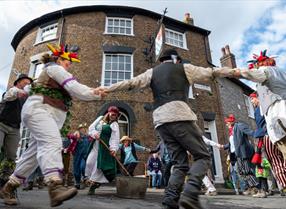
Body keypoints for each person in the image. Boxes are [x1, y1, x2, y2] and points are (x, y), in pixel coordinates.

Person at [98, 48, 233, 209]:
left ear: (161, 60)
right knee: (203, 156)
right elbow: (211, 73)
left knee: (180, 163)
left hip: (161, 122)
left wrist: (106, 88)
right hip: (180, 116)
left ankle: (170, 198)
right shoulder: (184, 68)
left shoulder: (152, 72)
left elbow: (130, 83)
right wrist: (237, 72)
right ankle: (190, 194)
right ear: (176, 59)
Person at [0, 43, 104, 207]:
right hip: (39, 110)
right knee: (52, 142)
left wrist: (94, 91)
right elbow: (74, 87)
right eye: (66, 61)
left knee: (33, 155)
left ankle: (9, 186)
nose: (68, 66)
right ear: (58, 59)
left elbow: (29, 88)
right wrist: (95, 93)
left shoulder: (49, 77)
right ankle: (55, 186)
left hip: (46, 116)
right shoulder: (54, 68)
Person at [223, 50, 286, 159]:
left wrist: (230, 72)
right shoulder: (281, 73)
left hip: (280, 120)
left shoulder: (264, 70)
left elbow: (251, 73)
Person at [249, 92, 286, 196]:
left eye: (252, 99)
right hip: (276, 135)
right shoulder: (269, 106)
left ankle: (282, 186)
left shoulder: (260, 109)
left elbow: (264, 123)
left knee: (275, 161)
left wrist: (258, 133)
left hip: (267, 136)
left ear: (257, 98)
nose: (252, 101)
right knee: (279, 159)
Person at [0, 74, 33, 187]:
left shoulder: (26, 99)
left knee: (12, 155)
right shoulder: (12, 91)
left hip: (15, 128)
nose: (27, 85)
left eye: (29, 84)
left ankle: (4, 180)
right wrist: (18, 93)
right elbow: (10, 95)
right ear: (18, 83)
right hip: (2, 124)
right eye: (25, 83)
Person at [85, 106, 120, 195]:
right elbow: (90, 129)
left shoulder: (114, 125)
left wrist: (114, 149)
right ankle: (89, 179)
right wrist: (94, 134)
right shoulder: (100, 119)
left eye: (115, 115)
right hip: (95, 145)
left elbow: (115, 139)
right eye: (112, 114)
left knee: (99, 167)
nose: (113, 116)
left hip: (104, 149)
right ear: (108, 113)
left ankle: (93, 185)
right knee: (89, 162)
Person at [224, 114, 258, 196]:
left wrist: (258, 135)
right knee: (241, 171)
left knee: (247, 170)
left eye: (227, 122)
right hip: (237, 154)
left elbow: (250, 132)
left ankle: (256, 188)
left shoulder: (239, 126)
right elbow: (232, 144)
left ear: (230, 121)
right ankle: (249, 187)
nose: (226, 124)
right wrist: (223, 146)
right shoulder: (232, 131)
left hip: (243, 153)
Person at [67, 123, 90, 189]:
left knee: (82, 167)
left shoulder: (88, 137)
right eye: (82, 129)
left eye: (85, 128)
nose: (83, 130)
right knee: (76, 170)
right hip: (77, 156)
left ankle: (84, 179)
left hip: (84, 156)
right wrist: (75, 135)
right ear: (79, 130)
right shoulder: (76, 136)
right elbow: (69, 136)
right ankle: (77, 182)